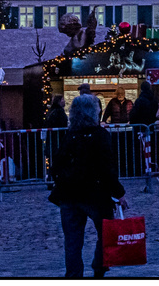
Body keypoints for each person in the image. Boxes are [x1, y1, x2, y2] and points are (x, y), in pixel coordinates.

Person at [48, 93, 127, 278]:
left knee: (73, 240)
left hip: (70, 195)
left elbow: (57, 164)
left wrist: (61, 182)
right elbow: (107, 168)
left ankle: (74, 275)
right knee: (106, 233)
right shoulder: (100, 136)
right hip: (95, 195)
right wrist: (119, 193)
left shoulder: (70, 136)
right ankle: (99, 267)